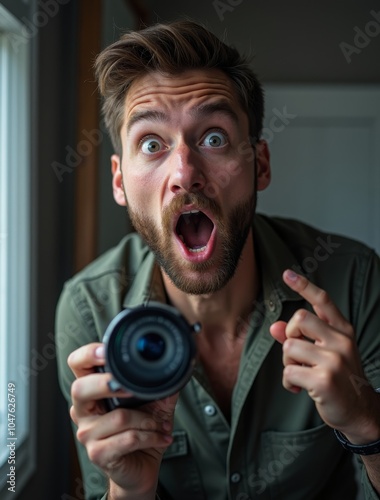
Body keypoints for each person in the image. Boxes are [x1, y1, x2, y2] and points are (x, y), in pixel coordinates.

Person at [55, 19, 380, 500]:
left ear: (260, 164)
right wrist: (129, 489)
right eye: (151, 143)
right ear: (120, 182)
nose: (185, 172)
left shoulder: (354, 281)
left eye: (213, 138)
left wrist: (366, 424)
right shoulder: (88, 311)